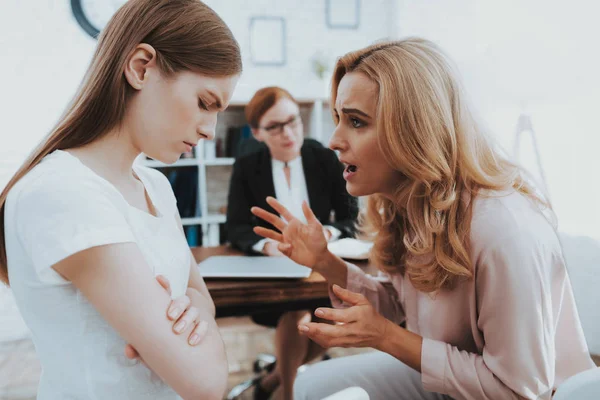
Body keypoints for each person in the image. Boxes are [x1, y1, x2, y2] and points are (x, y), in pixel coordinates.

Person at [250, 38, 596, 400]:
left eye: (356, 121)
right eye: (339, 119)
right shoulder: (412, 206)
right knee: (311, 386)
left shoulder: (504, 233)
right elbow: (398, 306)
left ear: (414, 129)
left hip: (525, 393)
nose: (334, 139)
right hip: (459, 375)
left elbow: (519, 391)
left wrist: (385, 336)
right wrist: (325, 261)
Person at [0, 0, 242, 399]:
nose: (210, 130)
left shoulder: (155, 186)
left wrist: (195, 320)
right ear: (141, 67)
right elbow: (205, 384)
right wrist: (202, 338)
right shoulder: (63, 192)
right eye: (204, 103)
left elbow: (203, 300)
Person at [226, 86, 358, 399]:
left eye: (293, 121)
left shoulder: (325, 158)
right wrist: (268, 246)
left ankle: (273, 384)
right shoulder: (247, 166)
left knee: (317, 317)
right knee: (297, 312)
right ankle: (288, 395)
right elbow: (235, 227)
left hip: (320, 271)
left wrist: (325, 234)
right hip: (275, 276)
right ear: (258, 132)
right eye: (275, 127)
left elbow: (351, 219)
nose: (289, 133)